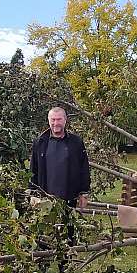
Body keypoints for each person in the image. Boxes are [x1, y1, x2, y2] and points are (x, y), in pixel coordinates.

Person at [30, 106, 90, 250]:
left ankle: (66, 267)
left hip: (68, 197)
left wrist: (84, 192)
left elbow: (84, 168)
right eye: (53, 120)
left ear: (65, 120)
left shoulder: (76, 143)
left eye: (59, 119)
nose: (56, 123)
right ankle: (42, 264)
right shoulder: (40, 142)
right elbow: (33, 169)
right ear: (48, 121)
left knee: (68, 233)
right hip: (45, 197)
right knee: (43, 233)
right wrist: (32, 192)